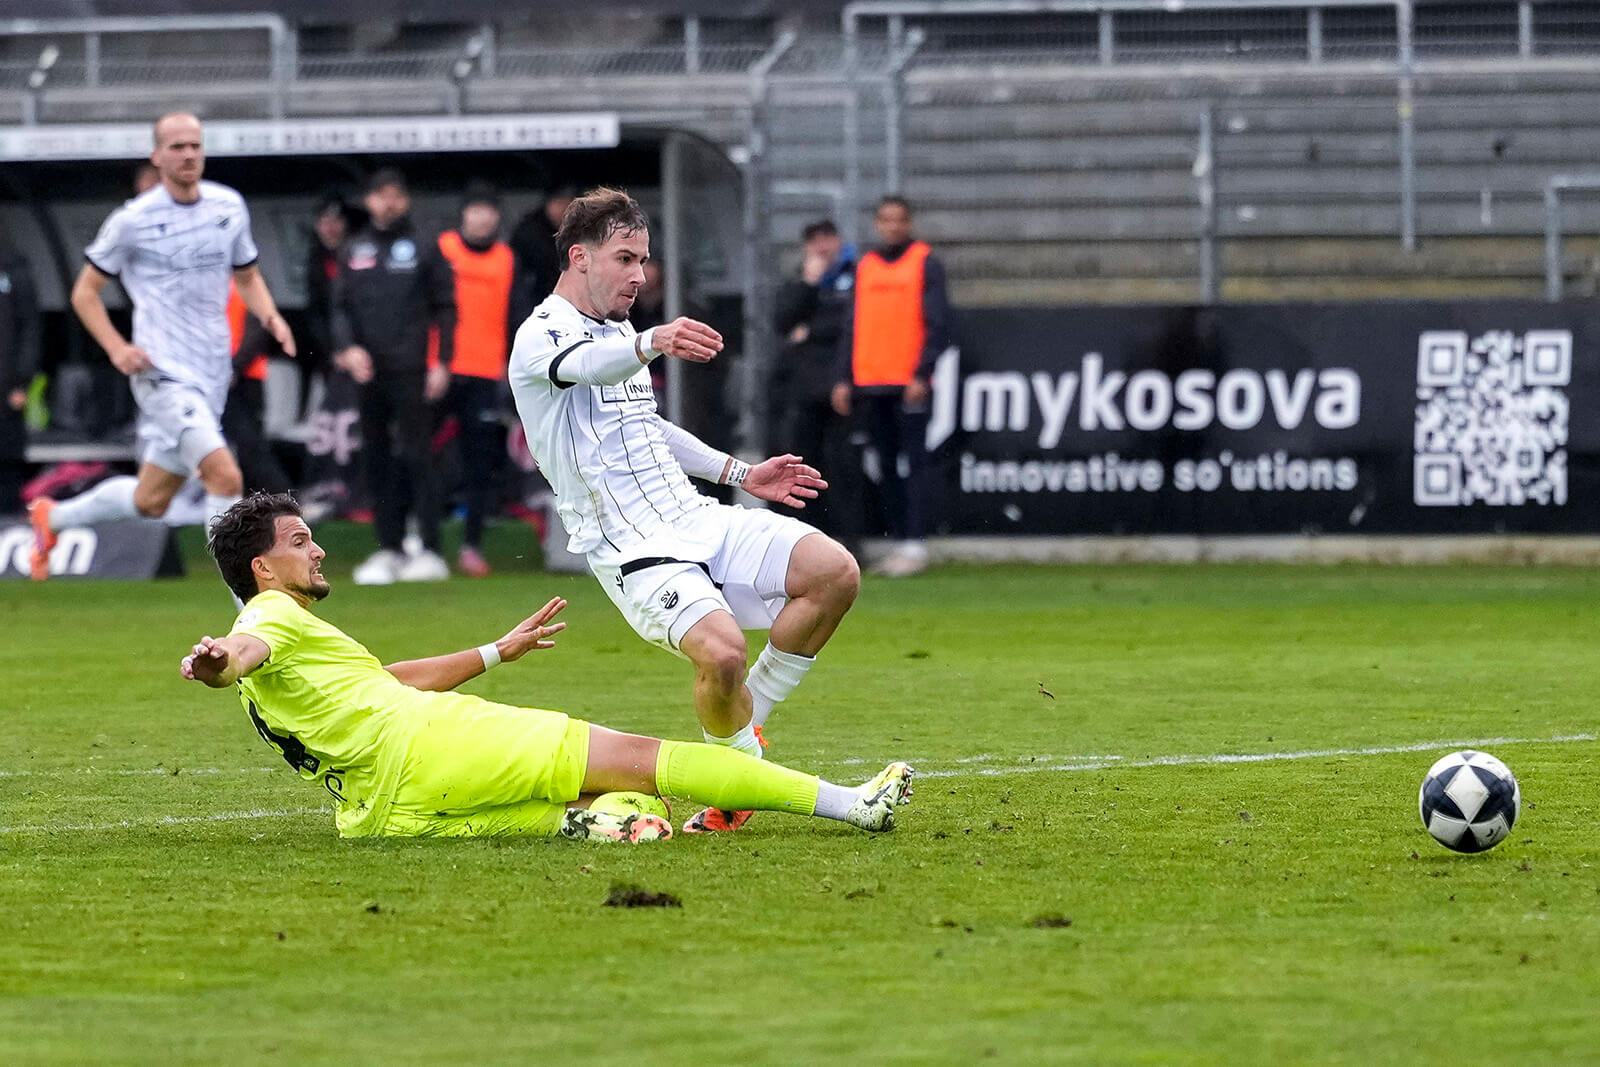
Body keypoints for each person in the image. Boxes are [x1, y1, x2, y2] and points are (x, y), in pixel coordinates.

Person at [179, 492, 913, 841]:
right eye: (301, 540)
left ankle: (593, 824)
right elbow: (240, 656)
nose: (318, 550)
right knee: (648, 760)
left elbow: (386, 681)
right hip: (433, 743)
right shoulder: (267, 618)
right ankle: (852, 805)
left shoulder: (291, 638)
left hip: (376, 810)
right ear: (263, 568)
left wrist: (498, 649)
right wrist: (219, 660)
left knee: (611, 805)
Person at [508, 187, 861, 836]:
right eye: (626, 258)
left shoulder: (623, 332)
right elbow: (585, 367)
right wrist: (652, 342)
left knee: (833, 570)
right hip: (628, 543)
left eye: (644, 259)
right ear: (580, 257)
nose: (641, 274)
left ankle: (744, 730)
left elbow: (647, 427)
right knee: (722, 655)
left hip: (693, 514)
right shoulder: (542, 333)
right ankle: (738, 773)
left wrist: (742, 473)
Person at [28, 111, 296, 582]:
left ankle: (54, 519)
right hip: (161, 374)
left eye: (195, 145)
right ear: (157, 156)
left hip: (211, 372)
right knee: (225, 477)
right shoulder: (133, 220)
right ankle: (248, 613)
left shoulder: (227, 206)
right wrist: (116, 348)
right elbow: (84, 292)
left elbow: (248, 275)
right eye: (177, 146)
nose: (188, 154)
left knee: (150, 500)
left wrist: (270, 314)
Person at [331, 169, 457, 584]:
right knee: (376, 458)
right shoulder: (354, 248)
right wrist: (349, 349)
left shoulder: (424, 245)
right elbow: (340, 309)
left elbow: (446, 307)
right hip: (369, 373)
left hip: (414, 369)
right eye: (380, 195)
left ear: (405, 200)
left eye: (395, 195)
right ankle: (389, 546)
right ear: (369, 201)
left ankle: (431, 548)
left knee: (418, 456)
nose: (388, 203)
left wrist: (442, 361)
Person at [832, 195, 952, 578]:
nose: (892, 227)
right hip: (871, 382)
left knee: (914, 463)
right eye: (885, 220)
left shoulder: (925, 262)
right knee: (884, 465)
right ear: (877, 224)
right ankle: (899, 539)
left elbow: (938, 323)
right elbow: (852, 326)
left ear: (909, 223)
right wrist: (843, 377)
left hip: (908, 382)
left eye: (898, 220)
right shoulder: (866, 266)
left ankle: (915, 543)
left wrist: (923, 372)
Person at [436, 182, 516, 577]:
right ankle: (424, 544)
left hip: (486, 372)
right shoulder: (443, 250)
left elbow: (515, 315)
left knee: (478, 465)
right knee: (420, 456)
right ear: (464, 214)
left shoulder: (506, 259)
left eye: (489, 209)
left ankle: (471, 546)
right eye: (475, 209)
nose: (482, 217)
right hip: (440, 369)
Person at [774, 219, 859, 548]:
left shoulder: (854, 276)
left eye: (827, 239)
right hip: (804, 390)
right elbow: (782, 321)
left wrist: (811, 332)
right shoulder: (801, 280)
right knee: (803, 465)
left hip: (840, 386)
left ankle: (850, 540)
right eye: (814, 241)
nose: (821, 247)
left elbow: (850, 325)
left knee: (843, 465)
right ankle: (805, 540)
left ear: (837, 241)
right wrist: (809, 283)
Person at [0, 234, 41, 514]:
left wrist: (21, 381)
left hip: (6, 386)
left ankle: (8, 522)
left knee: (7, 459)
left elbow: (29, 328)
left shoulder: (12, 267)